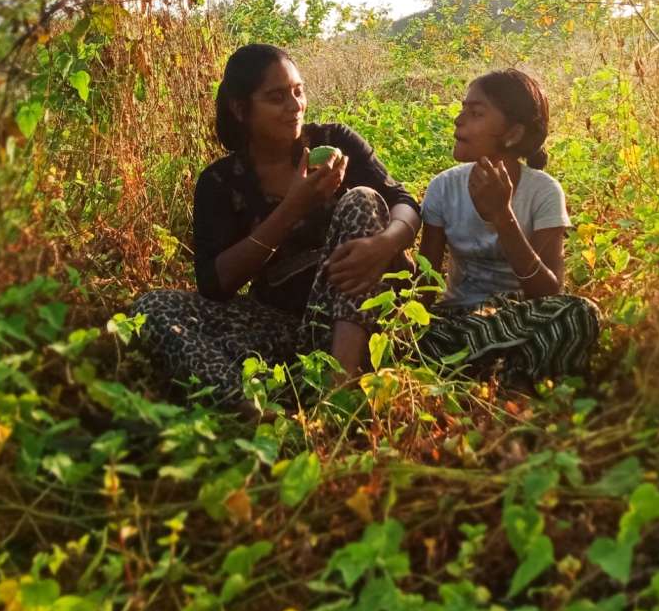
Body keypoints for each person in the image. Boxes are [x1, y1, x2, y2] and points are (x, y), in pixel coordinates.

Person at [131, 43, 420, 401]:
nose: (294, 106)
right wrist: (291, 209)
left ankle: (338, 390)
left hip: (358, 316)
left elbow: (404, 202)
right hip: (280, 325)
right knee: (153, 307)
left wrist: (386, 243)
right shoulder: (221, 181)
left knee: (361, 199)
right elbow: (214, 285)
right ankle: (250, 407)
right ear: (241, 109)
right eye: (276, 97)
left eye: (298, 92)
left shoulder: (334, 143)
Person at [414, 68, 599, 387]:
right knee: (427, 339)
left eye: (475, 113)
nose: (459, 120)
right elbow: (427, 282)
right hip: (459, 322)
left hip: (524, 316)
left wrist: (503, 216)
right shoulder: (443, 187)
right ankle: (510, 373)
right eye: (462, 109)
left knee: (581, 313)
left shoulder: (543, 192)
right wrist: (406, 331)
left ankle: (494, 375)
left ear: (512, 134)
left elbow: (547, 291)